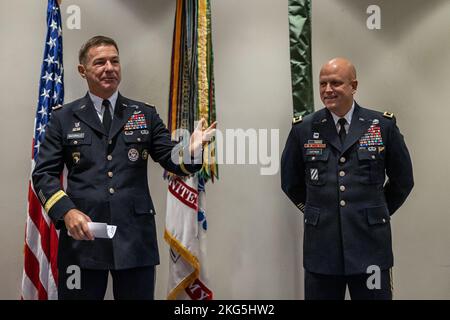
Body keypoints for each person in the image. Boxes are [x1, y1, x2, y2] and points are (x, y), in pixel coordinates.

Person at [32, 35, 216, 300]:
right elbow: (44, 174)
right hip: (83, 238)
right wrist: (67, 212)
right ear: (82, 70)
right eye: (100, 62)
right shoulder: (63, 118)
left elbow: (171, 158)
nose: (110, 68)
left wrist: (192, 150)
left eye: (114, 61)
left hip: (135, 239)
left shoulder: (143, 114)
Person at [281, 57, 414, 300]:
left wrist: (377, 212)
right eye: (323, 84)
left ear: (353, 86)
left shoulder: (381, 125)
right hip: (321, 249)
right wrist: (316, 211)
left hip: (370, 247)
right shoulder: (304, 128)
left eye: (336, 83)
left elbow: (403, 180)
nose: (327, 90)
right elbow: (290, 183)